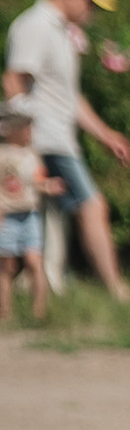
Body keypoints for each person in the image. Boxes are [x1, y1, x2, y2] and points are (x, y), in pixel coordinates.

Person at [3, 0, 130, 301]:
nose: (91, 13)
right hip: (47, 139)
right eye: (90, 4)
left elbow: (69, 98)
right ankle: (117, 291)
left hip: (59, 136)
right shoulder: (35, 25)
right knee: (92, 205)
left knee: (42, 218)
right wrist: (26, 133)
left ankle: (40, 291)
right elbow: (14, 80)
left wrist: (106, 136)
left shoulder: (60, 31)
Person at [0, 110, 60, 321]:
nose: (30, 133)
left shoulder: (32, 155)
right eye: (27, 129)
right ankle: (5, 313)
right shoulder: (3, 154)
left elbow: (37, 180)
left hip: (29, 216)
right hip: (7, 216)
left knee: (35, 262)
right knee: (7, 266)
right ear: (15, 131)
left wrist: (49, 186)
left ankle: (39, 313)